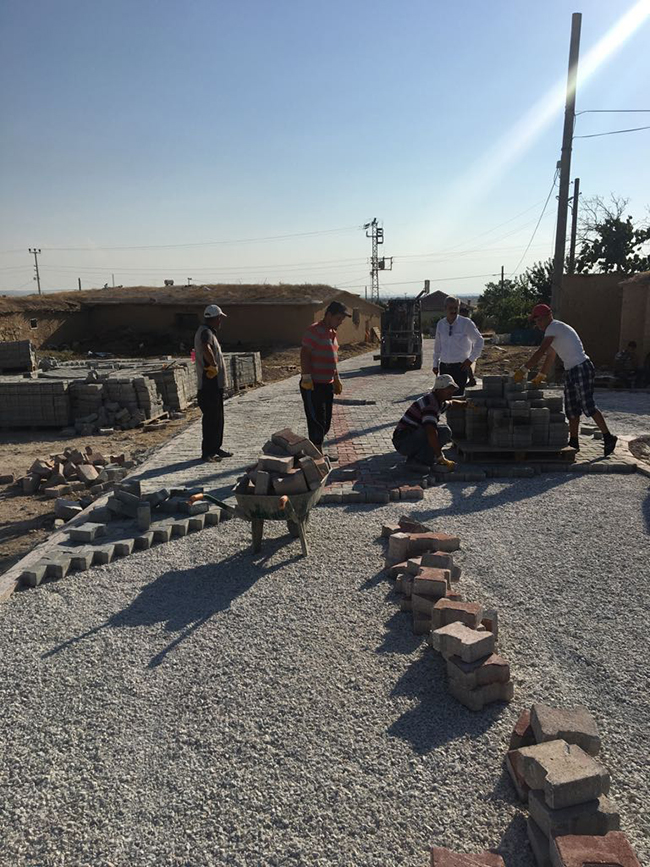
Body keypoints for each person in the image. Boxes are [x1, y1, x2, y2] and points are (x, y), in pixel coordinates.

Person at [514, 303, 617, 456]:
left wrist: (523, 370)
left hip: (582, 367)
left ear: (548, 317)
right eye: (536, 321)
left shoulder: (554, 327)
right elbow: (550, 356)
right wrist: (541, 375)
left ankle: (608, 437)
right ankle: (574, 441)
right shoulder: (553, 332)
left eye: (539, 320)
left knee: (588, 405)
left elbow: (541, 351)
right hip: (571, 370)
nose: (537, 324)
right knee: (572, 408)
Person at [300, 300, 349, 450]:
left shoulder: (332, 333)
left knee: (326, 421)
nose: (340, 322)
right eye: (338, 318)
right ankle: (316, 454)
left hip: (327, 384)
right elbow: (305, 354)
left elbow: (332, 358)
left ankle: (317, 451)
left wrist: (336, 378)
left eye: (342, 319)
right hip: (313, 384)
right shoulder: (314, 331)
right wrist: (306, 377)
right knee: (316, 420)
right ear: (328, 315)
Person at [392, 373, 460, 470]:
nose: (451, 392)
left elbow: (452, 403)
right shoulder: (430, 405)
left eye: (452, 389)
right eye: (448, 389)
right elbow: (431, 432)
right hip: (403, 442)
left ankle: (420, 458)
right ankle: (418, 461)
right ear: (439, 390)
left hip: (409, 438)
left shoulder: (437, 400)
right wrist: (439, 456)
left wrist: (467, 404)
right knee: (431, 431)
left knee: (444, 430)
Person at [194, 304, 233, 463]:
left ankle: (216, 448)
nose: (220, 321)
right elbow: (206, 347)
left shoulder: (208, 331)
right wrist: (213, 365)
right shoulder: (206, 333)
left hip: (214, 384)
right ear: (215, 318)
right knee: (211, 419)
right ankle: (207, 452)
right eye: (219, 318)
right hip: (208, 384)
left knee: (217, 418)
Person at [432, 296, 484, 396]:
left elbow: (479, 341)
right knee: (444, 398)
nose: (453, 311)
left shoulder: (466, 323)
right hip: (444, 367)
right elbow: (437, 347)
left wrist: (471, 359)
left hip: (460, 368)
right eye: (451, 308)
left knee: (457, 398)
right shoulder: (441, 324)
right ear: (445, 308)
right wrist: (435, 364)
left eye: (456, 308)